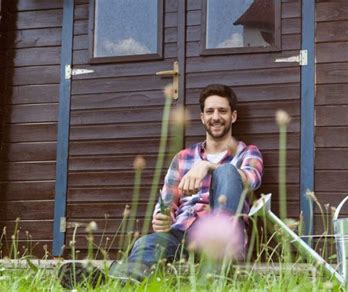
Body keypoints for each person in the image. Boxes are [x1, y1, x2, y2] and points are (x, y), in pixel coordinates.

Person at [58, 84, 264, 288]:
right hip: (182, 233)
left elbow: (251, 178)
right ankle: (113, 280)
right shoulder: (183, 158)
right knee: (148, 244)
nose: (216, 117)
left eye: (222, 111)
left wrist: (208, 167)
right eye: (210, 111)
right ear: (202, 118)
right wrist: (162, 218)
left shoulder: (247, 153)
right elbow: (165, 205)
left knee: (227, 171)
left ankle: (218, 271)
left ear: (233, 116)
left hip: (221, 237)